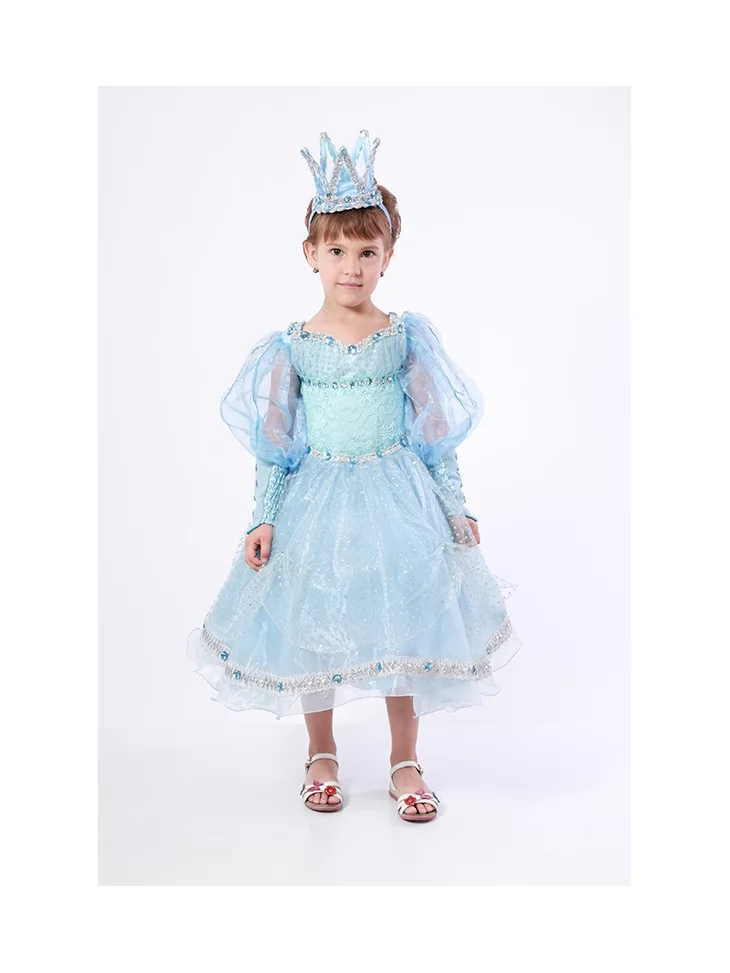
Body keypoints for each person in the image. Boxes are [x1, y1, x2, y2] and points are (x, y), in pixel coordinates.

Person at [187, 129, 522, 822]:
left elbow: (435, 436)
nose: (352, 266)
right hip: (319, 498)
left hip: (398, 497)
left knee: (404, 621)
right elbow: (275, 445)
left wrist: (454, 505)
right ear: (310, 254)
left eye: (367, 252)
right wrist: (263, 515)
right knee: (314, 620)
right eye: (336, 250)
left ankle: (405, 759)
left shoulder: (405, 336)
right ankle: (321, 751)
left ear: (387, 257)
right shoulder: (291, 348)